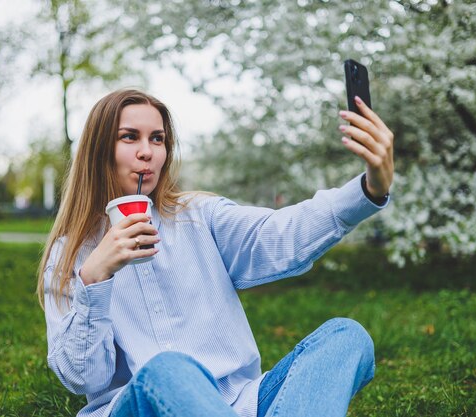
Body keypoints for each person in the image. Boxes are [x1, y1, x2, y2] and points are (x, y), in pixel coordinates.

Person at [37, 88, 394, 417]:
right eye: (129, 137)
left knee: (345, 337)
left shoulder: (199, 218)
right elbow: (83, 378)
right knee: (166, 368)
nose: (147, 151)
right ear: (99, 151)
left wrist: (369, 189)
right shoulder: (70, 254)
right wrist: (95, 278)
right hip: (140, 405)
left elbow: (281, 235)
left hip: (241, 403)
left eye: (157, 139)